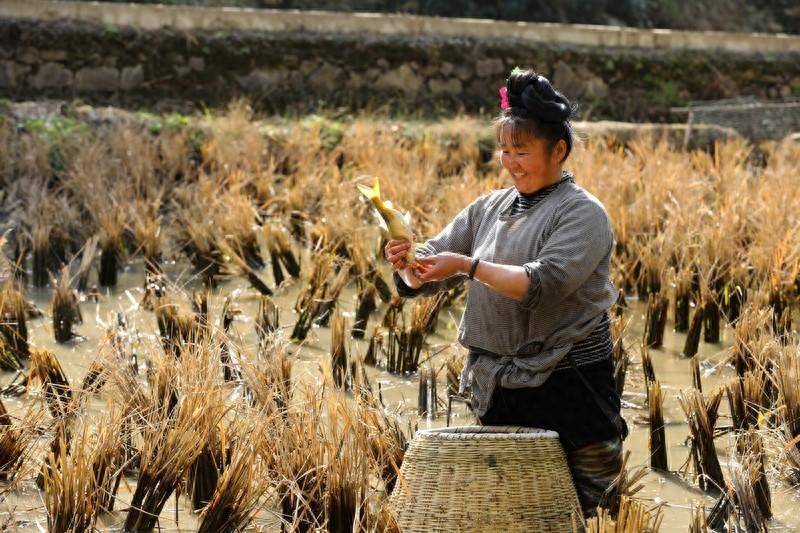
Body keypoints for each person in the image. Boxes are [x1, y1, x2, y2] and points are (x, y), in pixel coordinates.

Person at [384, 68, 627, 517]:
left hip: (572, 391)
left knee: (588, 515)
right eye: (505, 151)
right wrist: (408, 262)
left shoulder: (583, 214)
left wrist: (468, 266)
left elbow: (543, 284)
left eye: (523, 152)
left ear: (559, 150)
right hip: (500, 390)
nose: (512, 162)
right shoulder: (488, 208)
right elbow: (430, 261)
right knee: (510, 514)